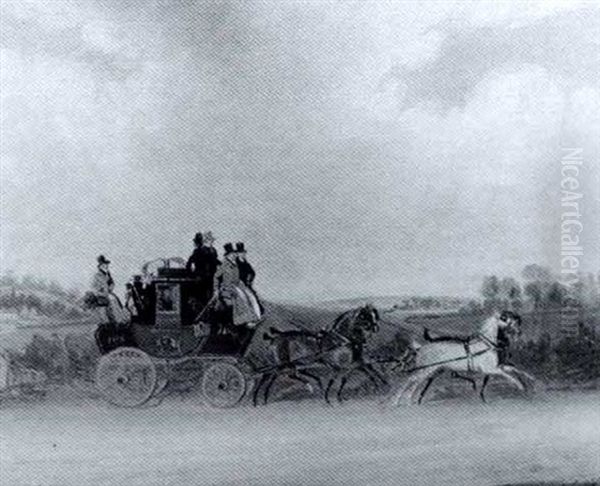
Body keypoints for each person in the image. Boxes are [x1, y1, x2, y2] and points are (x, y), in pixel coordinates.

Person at [213, 243, 262, 328]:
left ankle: (256, 317)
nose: (233, 256)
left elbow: (237, 277)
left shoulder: (235, 264)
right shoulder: (224, 265)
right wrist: (216, 289)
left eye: (233, 254)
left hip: (237, 285)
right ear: (227, 256)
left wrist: (243, 284)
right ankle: (245, 321)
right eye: (231, 254)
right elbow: (216, 277)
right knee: (241, 297)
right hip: (227, 288)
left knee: (250, 296)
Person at [91, 255, 128, 325]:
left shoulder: (107, 275)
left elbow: (112, 283)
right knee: (109, 304)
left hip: (108, 293)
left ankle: (119, 320)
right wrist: (101, 291)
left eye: (107, 265)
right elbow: (94, 287)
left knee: (116, 300)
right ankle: (112, 322)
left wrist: (110, 287)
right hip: (100, 294)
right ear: (100, 266)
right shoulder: (97, 275)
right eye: (104, 265)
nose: (106, 267)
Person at [236, 242, 263, 313]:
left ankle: (256, 314)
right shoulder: (235, 263)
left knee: (253, 296)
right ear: (237, 254)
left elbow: (253, 272)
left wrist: (249, 279)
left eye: (243, 253)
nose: (242, 254)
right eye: (240, 253)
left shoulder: (246, 263)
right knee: (243, 298)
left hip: (246, 284)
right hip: (237, 284)